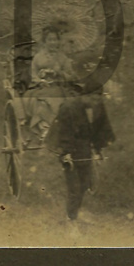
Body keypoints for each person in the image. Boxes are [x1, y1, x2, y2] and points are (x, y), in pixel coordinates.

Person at [47, 84, 116, 222]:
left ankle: (75, 213)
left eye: (99, 99)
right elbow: (63, 132)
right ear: (85, 96)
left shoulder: (97, 106)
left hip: (84, 149)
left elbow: (101, 129)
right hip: (68, 149)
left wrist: (97, 150)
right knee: (74, 187)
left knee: (85, 184)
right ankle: (71, 220)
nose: (96, 103)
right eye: (93, 99)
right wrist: (65, 153)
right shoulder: (68, 108)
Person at [28, 26, 75, 135]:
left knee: (65, 101)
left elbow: (71, 76)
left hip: (59, 88)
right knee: (41, 101)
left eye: (55, 40)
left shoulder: (63, 57)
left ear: (59, 41)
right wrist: (40, 80)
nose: (53, 42)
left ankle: (63, 128)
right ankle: (45, 128)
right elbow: (33, 74)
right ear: (45, 41)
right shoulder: (38, 57)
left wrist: (58, 73)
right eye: (50, 40)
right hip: (41, 87)